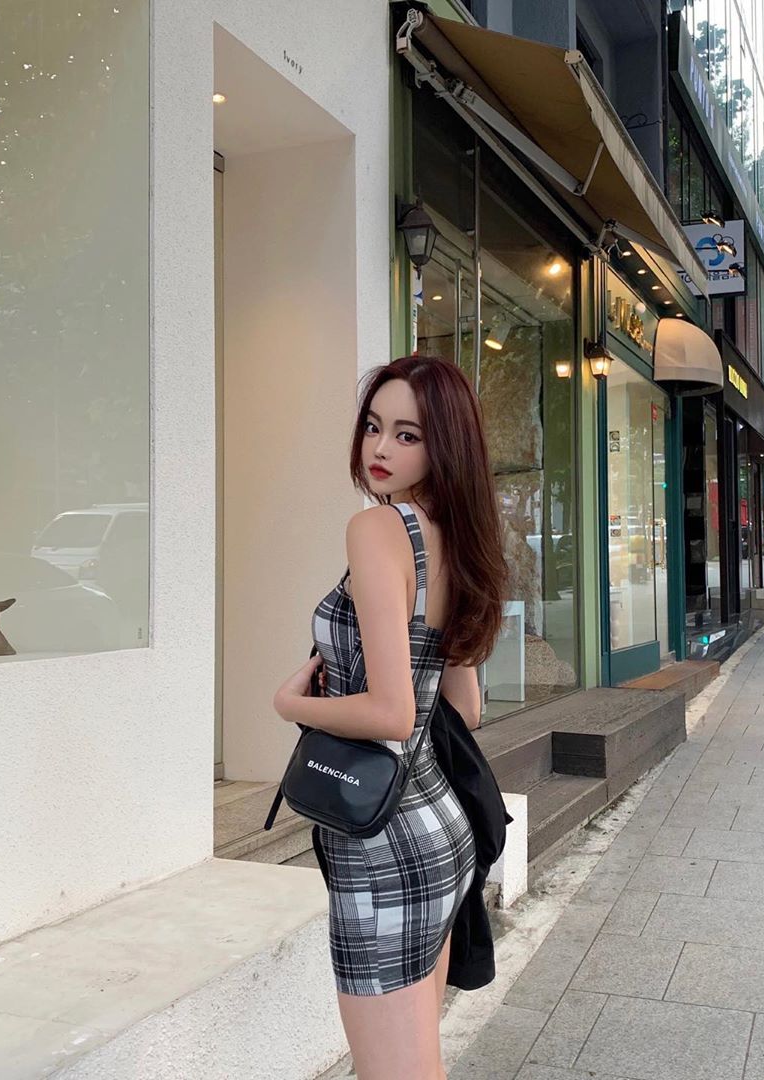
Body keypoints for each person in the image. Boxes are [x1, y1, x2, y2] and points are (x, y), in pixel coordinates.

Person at [272, 355, 507, 1079]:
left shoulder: (379, 530)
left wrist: (292, 703)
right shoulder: (454, 540)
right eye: (374, 427)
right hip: (440, 829)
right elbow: (463, 707)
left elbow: (393, 713)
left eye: (408, 435)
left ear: (444, 446)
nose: (379, 449)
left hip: (382, 845)